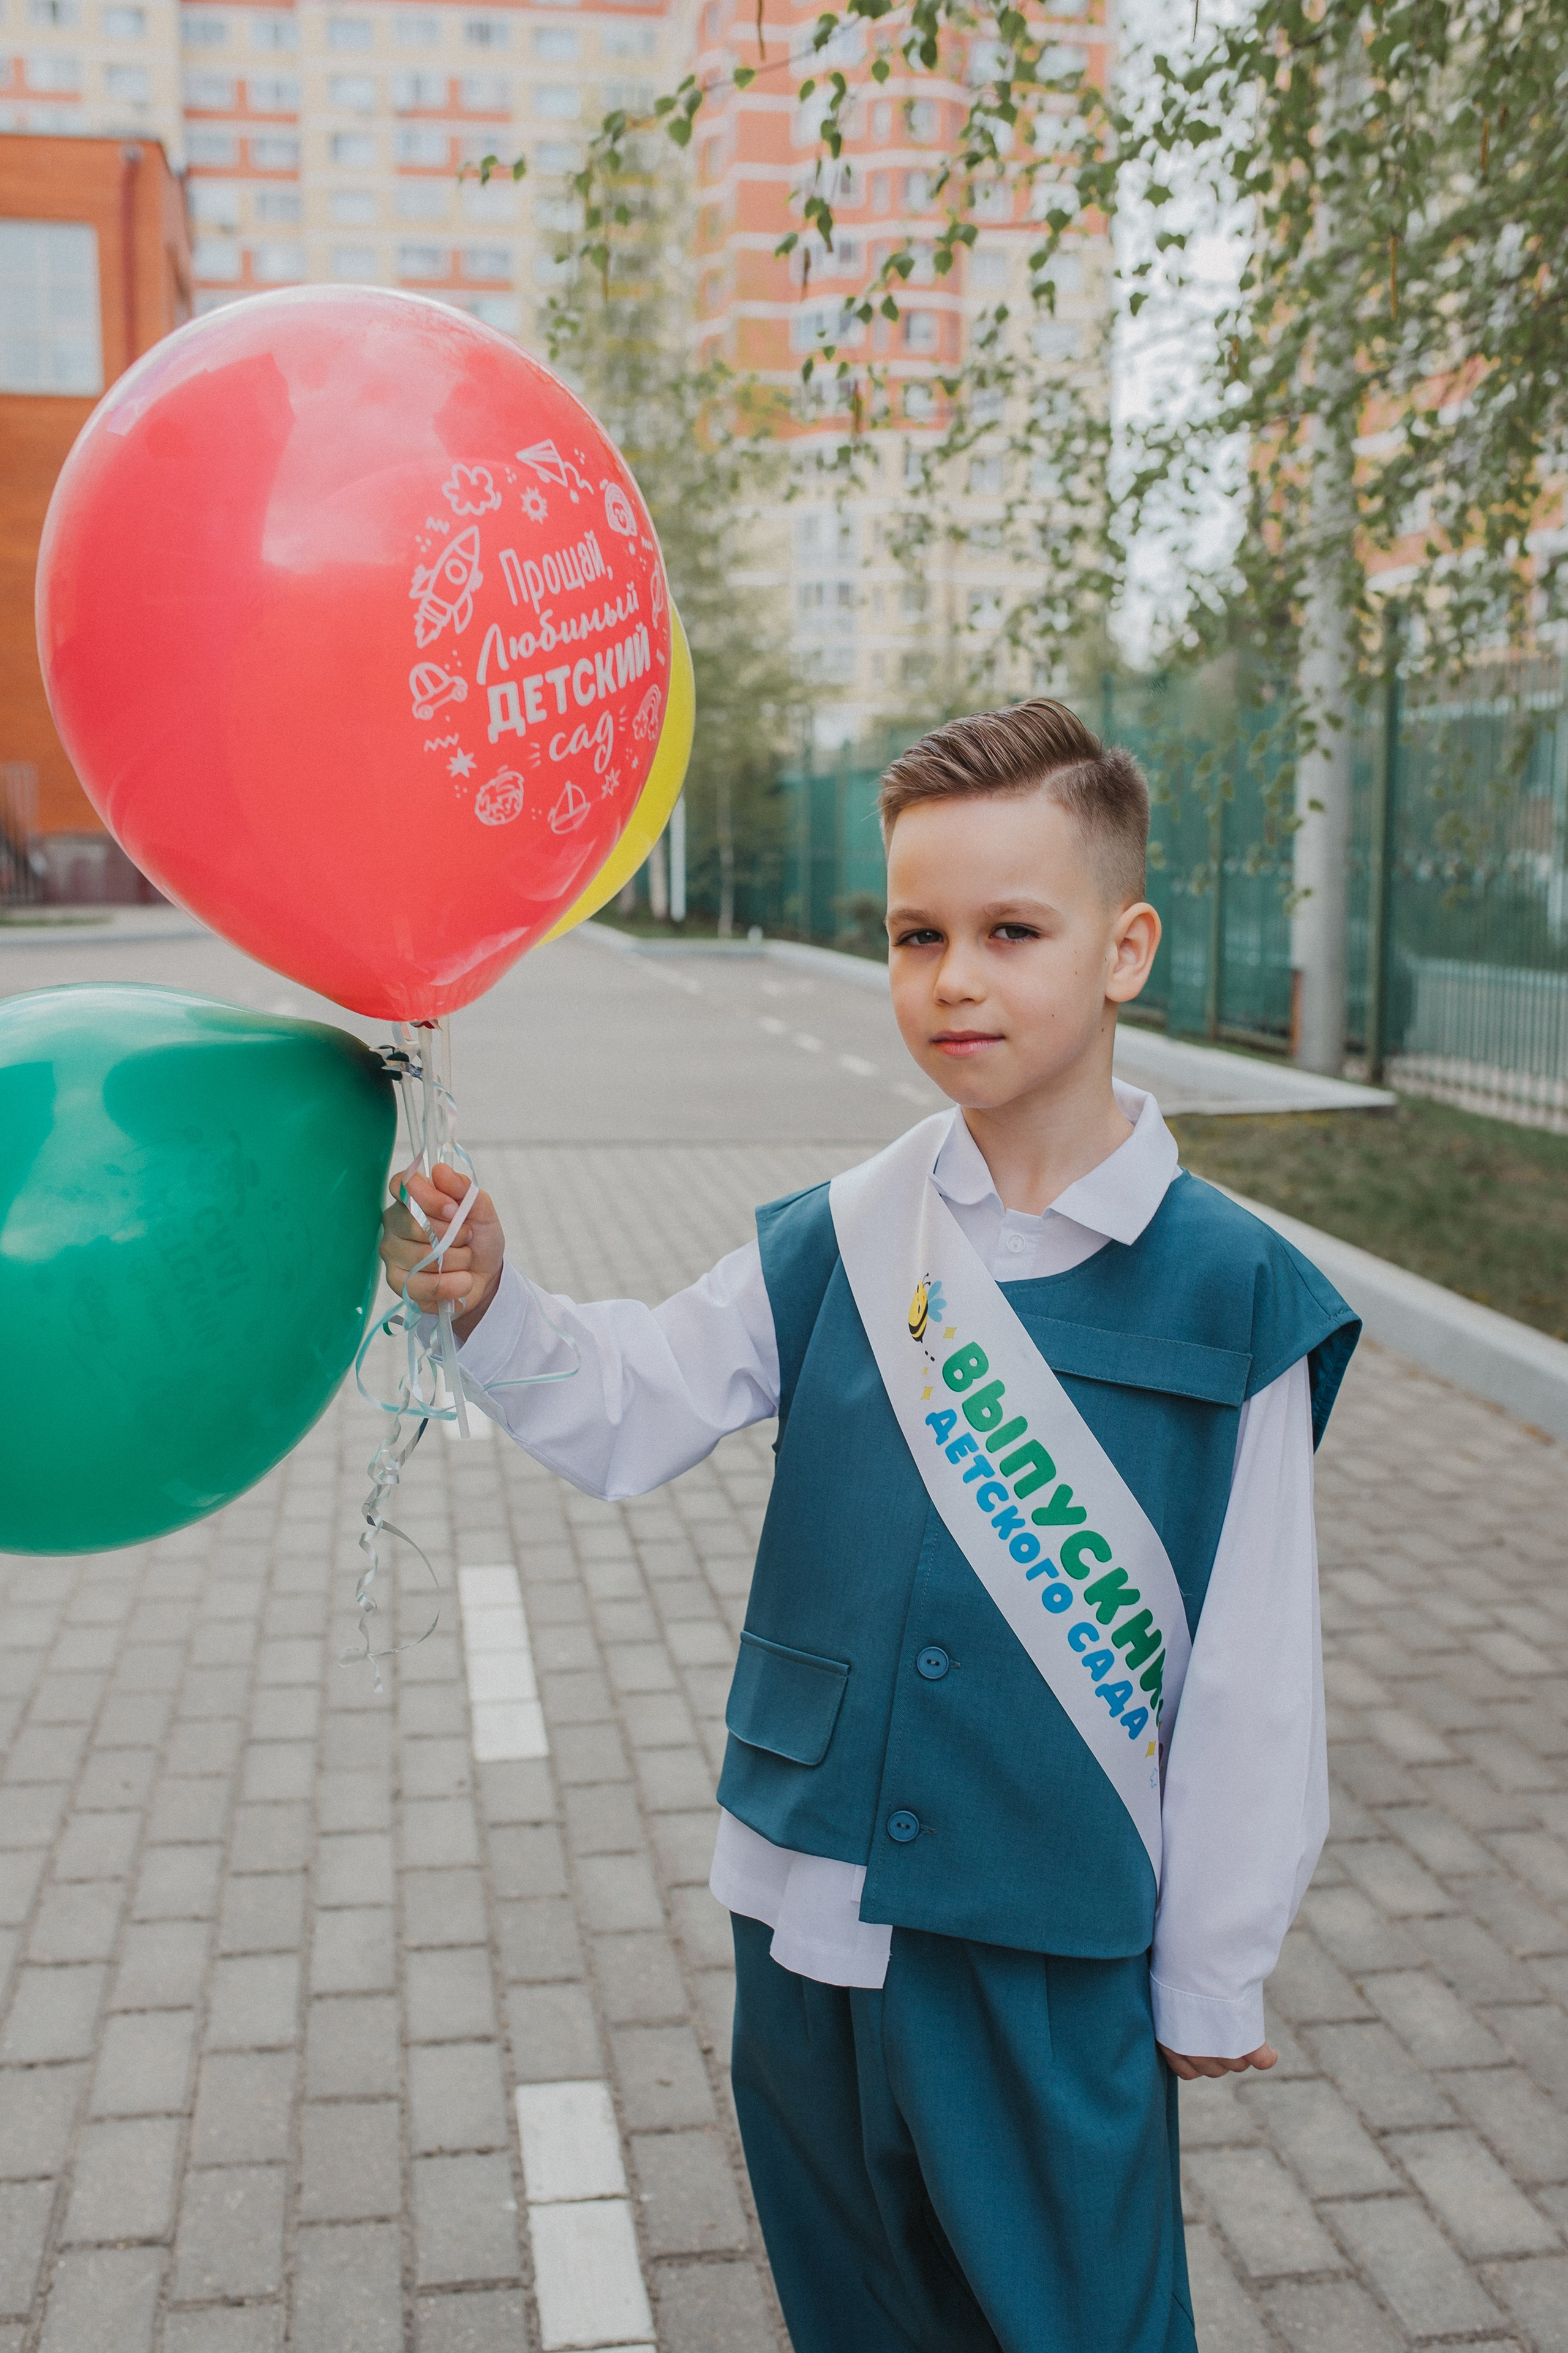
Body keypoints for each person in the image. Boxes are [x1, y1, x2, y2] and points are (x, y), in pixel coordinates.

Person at [381, 699, 1360, 2353]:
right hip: (806, 1914)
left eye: (1009, 932)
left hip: (1049, 1950)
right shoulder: (847, 1234)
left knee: (1078, 2325)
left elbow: (1259, 1675)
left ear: (1125, 950)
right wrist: (495, 1304)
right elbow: (637, 1400)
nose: (954, 978)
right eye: (916, 935)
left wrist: (1212, 1970)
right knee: (859, 2314)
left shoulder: (1238, 1290)